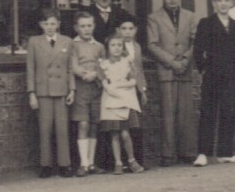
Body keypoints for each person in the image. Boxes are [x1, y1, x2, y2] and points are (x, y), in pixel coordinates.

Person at [145, 0, 199, 166]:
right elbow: (152, 44)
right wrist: (171, 62)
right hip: (166, 70)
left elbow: (195, 41)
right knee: (168, 113)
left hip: (184, 68)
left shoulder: (190, 16)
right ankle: (168, 154)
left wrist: (184, 60)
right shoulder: (154, 18)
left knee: (186, 112)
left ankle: (188, 151)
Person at [191, 0, 235, 165]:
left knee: (228, 112)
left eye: (226, 0)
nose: (223, 4)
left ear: (231, 3)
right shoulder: (206, 23)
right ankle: (203, 153)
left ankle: (225, 153)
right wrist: (204, 69)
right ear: (214, 3)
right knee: (208, 113)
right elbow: (198, 50)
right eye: (220, 0)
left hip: (231, 76)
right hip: (212, 75)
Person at [24, 9, 75, 178]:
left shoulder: (67, 41)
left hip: (61, 90)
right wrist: (32, 93)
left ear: (59, 24)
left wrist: (72, 90)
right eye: (46, 24)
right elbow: (30, 69)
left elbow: (69, 68)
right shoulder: (34, 42)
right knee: (44, 128)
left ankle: (64, 164)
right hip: (43, 90)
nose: (50, 27)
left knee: (62, 128)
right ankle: (45, 164)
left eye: (53, 23)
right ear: (41, 25)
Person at [99, 19, 148, 173]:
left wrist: (139, 88)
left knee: (127, 133)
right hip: (111, 100)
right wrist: (109, 86)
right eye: (113, 45)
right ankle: (118, 163)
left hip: (126, 97)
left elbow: (135, 75)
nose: (116, 48)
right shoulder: (104, 64)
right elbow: (103, 81)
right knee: (114, 134)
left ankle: (132, 160)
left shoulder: (130, 57)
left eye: (119, 45)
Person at [67, 9, 105, 177]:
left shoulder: (99, 47)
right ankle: (82, 163)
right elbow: (73, 66)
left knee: (94, 125)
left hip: (96, 87)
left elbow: (104, 66)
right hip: (81, 87)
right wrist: (85, 74)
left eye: (89, 25)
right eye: (82, 26)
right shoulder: (73, 45)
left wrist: (96, 74)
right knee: (83, 123)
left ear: (94, 26)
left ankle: (91, 163)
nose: (86, 29)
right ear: (76, 28)